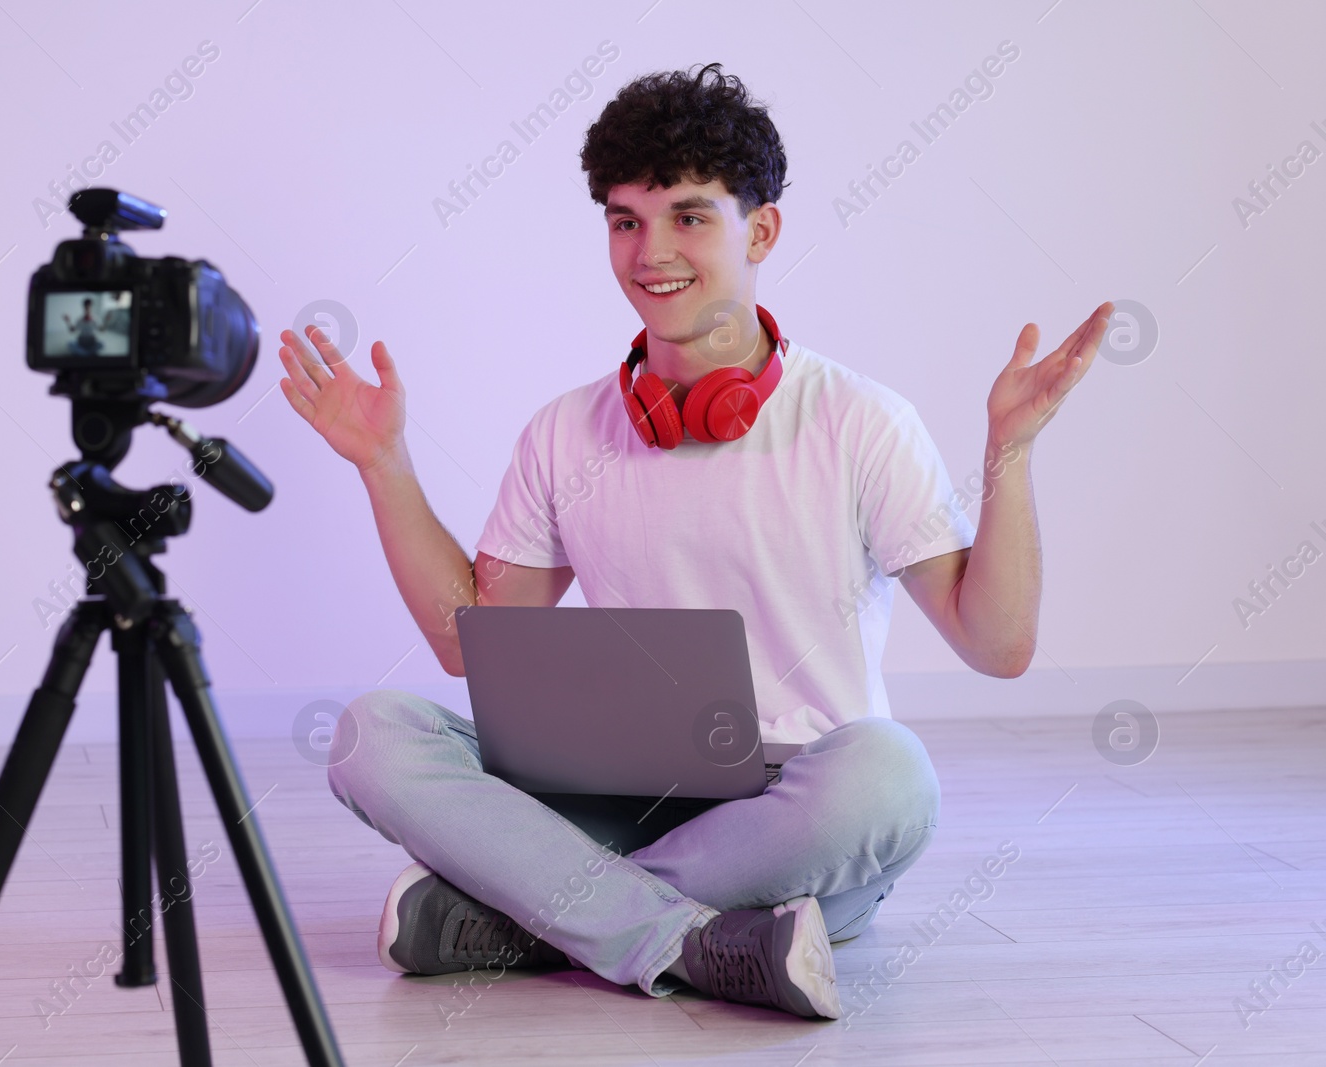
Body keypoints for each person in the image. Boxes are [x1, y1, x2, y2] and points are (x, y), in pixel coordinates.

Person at [276, 62, 1110, 1020]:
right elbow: (470, 641)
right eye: (625, 220)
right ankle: (695, 940)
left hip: (788, 810)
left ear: (761, 230)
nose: (650, 251)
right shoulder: (564, 432)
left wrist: (1011, 450)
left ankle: (534, 913)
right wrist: (384, 464)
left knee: (892, 774)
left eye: (687, 216)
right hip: (610, 789)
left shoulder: (860, 421)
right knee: (373, 733)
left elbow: (997, 645)